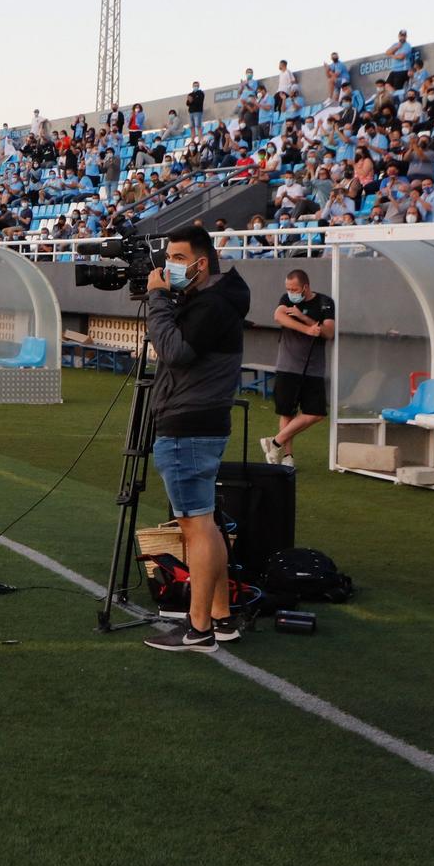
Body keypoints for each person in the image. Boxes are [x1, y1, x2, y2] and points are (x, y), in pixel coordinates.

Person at [142, 224, 253, 654]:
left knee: (196, 526)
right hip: (202, 420)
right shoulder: (216, 300)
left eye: (179, 258)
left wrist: (157, 300)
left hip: (189, 423)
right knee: (208, 524)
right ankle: (221, 619)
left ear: (202, 263)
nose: (170, 266)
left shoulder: (212, 306)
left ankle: (198, 627)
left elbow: (172, 351)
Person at [262, 269, 334, 469]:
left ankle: (274, 442)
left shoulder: (324, 302)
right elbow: (279, 316)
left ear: (305, 287)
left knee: (316, 413)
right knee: (287, 412)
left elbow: (328, 332)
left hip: (314, 368)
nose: (290, 292)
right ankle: (287, 456)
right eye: (288, 288)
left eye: (294, 289)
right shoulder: (286, 299)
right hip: (288, 365)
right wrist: (307, 329)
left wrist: (304, 318)